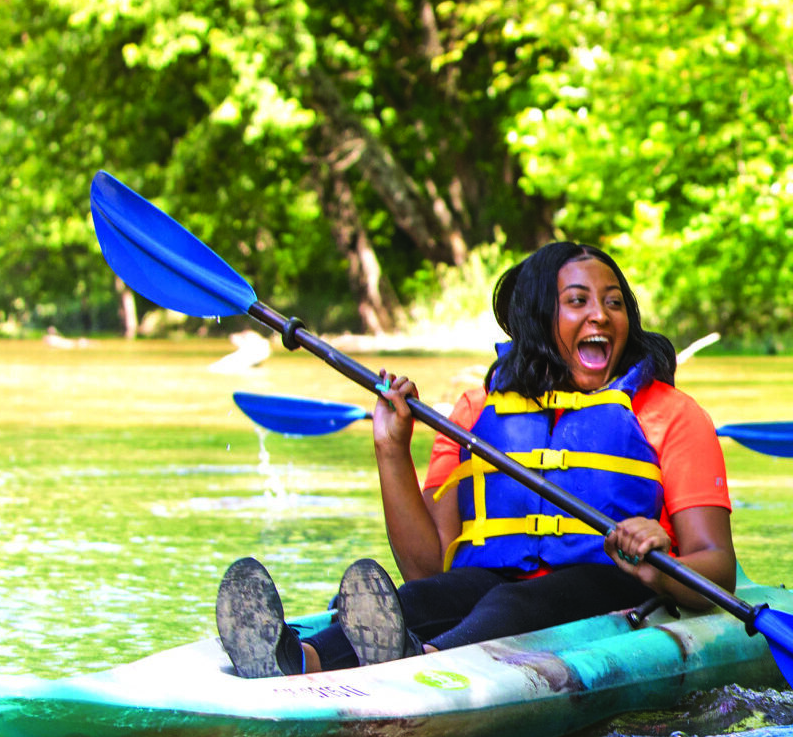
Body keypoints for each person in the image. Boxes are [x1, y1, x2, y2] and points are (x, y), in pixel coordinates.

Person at [212, 241, 736, 677]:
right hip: (494, 583)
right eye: (578, 301)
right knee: (427, 599)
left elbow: (718, 572)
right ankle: (297, 659)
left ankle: (421, 662)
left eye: (614, 303)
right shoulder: (475, 413)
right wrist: (391, 449)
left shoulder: (672, 414)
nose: (600, 314)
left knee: (513, 604)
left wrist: (657, 558)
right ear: (538, 318)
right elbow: (425, 567)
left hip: (617, 587)